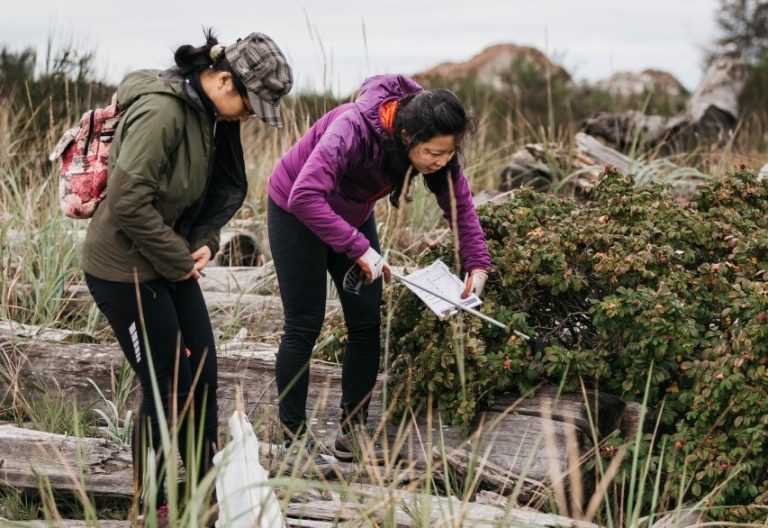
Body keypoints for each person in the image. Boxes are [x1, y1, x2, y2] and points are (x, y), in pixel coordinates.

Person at [80, 29, 292, 520]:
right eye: (249, 103)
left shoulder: (208, 114)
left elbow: (210, 191)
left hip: (167, 260)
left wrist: (206, 242)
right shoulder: (164, 113)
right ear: (222, 79)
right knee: (165, 384)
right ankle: (150, 504)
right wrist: (179, 260)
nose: (248, 116)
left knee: (201, 374)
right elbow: (129, 203)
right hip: (123, 269)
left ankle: (203, 492)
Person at [267, 74, 491, 462]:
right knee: (304, 323)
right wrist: (358, 248)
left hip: (351, 215)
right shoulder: (351, 129)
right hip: (295, 211)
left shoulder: (436, 147)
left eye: (448, 153)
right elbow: (304, 195)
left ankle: (351, 430)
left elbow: (461, 208)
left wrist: (477, 263)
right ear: (407, 137)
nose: (440, 161)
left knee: (367, 320)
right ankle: (293, 439)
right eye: (434, 153)